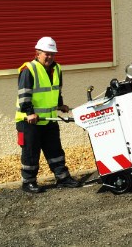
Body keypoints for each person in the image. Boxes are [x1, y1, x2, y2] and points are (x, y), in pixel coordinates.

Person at [15, 36, 81, 193]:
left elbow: (55, 89)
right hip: (29, 121)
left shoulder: (57, 68)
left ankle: (63, 178)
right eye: (47, 53)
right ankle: (28, 182)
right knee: (31, 152)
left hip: (49, 119)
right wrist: (30, 113)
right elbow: (24, 95)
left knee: (55, 150)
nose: (50, 57)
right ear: (38, 53)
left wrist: (60, 105)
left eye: (53, 54)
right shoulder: (28, 70)